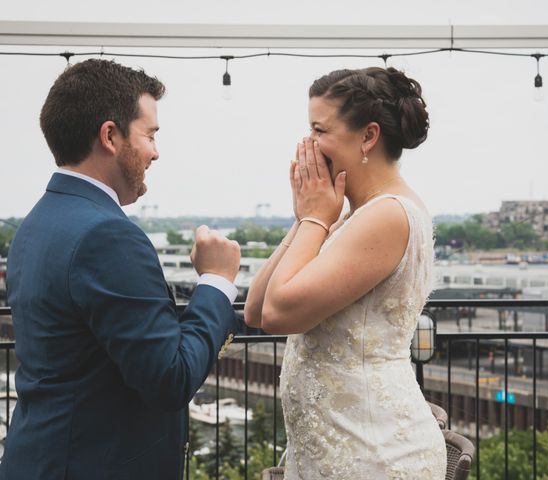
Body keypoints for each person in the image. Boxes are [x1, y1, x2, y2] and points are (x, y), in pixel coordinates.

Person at [1, 59, 242, 480]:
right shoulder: (107, 236)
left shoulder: (35, 223)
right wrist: (216, 282)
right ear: (110, 136)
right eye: (150, 134)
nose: (155, 151)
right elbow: (170, 378)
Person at [245, 66, 446, 479]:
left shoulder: (388, 214)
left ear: (368, 136)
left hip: (372, 450)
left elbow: (278, 315)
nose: (308, 145)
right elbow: (255, 309)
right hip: (335, 447)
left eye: (319, 130)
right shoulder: (353, 216)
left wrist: (316, 218)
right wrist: (308, 218)